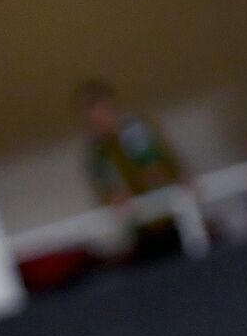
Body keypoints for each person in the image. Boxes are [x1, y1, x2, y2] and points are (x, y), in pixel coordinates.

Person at [76, 79, 191, 261]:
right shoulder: (98, 154)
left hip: (173, 218)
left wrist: (176, 176)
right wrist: (115, 198)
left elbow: (166, 166)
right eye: (92, 110)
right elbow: (109, 196)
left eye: (104, 107)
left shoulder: (137, 131)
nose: (101, 116)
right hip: (141, 230)